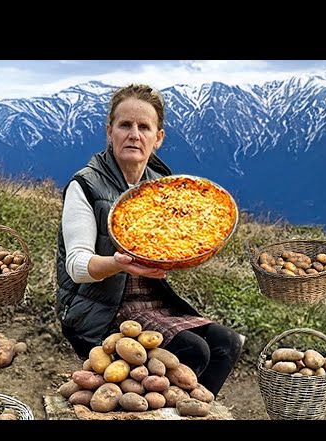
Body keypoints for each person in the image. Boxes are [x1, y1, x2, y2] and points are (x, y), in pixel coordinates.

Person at [55, 83, 244, 397]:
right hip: (98, 308)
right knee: (194, 351)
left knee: (227, 343)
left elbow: (181, 238)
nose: (134, 134)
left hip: (152, 301)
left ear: (158, 138)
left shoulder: (162, 186)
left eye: (144, 127)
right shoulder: (85, 185)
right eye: (125, 125)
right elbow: (76, 266)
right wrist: (119, 264)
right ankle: (159, 408)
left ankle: (189, 409)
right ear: (109, 131)